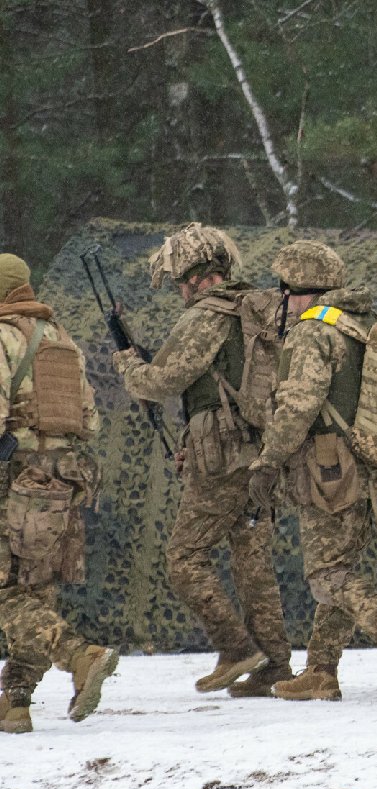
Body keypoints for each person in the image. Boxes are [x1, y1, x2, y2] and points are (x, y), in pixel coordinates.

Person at [245, 240, 377, 702]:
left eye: (285, 292)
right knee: (341, 566)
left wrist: (268, 460)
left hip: (327, 465)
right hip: (370, 461)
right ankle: (321, 670)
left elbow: (298, 406)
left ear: (299, 290)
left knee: (327, 574)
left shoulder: (314, 331)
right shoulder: (364, 323)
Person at [115, 223, 290, 696]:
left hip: (221, 453)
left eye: (177, 281)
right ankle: (274, 665)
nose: (177, 291)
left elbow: (163, 381)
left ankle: (235, 647)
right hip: (262, 449)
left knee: (185, 558)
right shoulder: (256, 310)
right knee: (251, 560)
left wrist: (129, 365)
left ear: (193, 275)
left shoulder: (204, 317)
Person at [0, 253, 117, 733]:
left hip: (18, 478)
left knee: (6, 594)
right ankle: (16, 704)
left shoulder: (3, 338)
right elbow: (89, 420)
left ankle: (79, 654)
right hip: (66, 479)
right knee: (36, 590)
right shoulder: (63, 341)